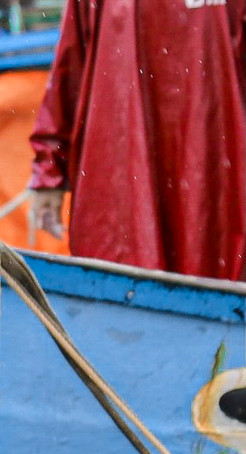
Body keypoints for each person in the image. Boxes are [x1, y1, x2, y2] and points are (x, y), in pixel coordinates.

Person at [29, 0, 245, 280]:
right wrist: (49, 171)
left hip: (199, 184)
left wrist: (50, 170)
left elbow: (70, 67)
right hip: (150, 183)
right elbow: (71, 65)